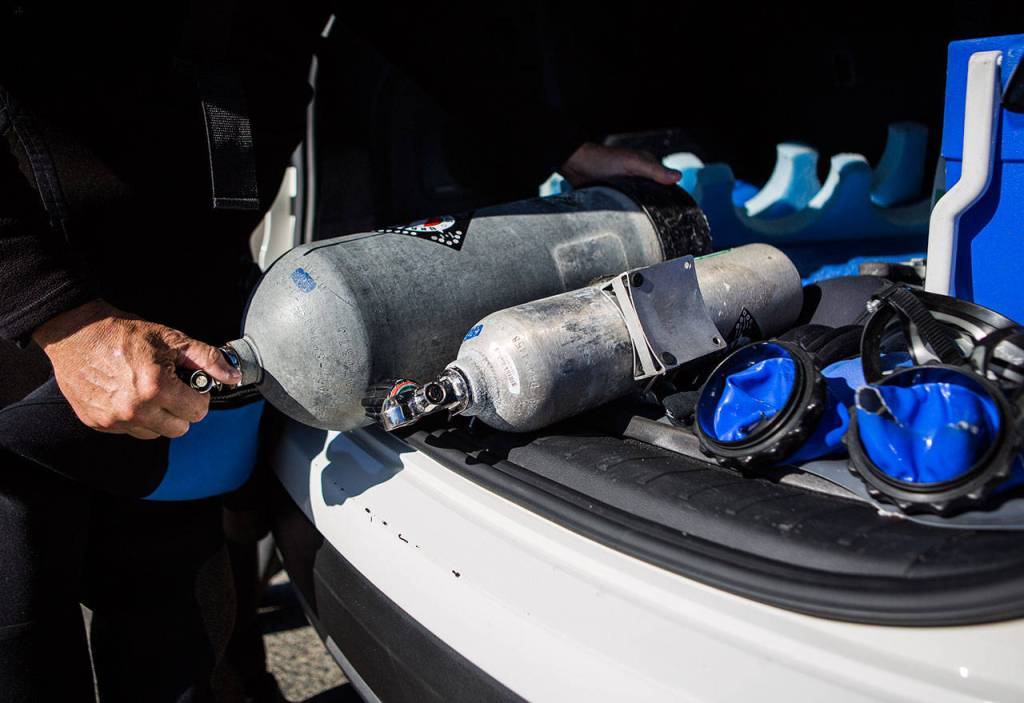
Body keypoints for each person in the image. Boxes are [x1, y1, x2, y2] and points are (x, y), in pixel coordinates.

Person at [0, 3, 680, 701]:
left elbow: (429, 24)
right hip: (22, 336)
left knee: (176, 641)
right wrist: (55, 314)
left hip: (186, 316)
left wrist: (561, 146)